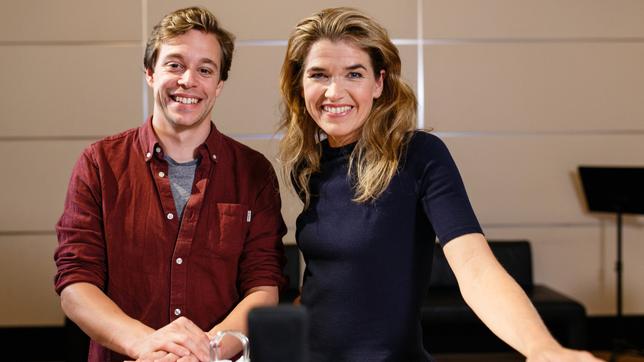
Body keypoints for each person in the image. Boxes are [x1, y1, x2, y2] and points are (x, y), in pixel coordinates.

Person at [278, 7, 603, 362]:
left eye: (354, 74)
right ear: (301, 84)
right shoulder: (307, 165)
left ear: (379, 83)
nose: (334, 91)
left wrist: (542, 348)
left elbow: (475, 267)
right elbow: (328, 281)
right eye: (319, 75)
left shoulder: (418, 155)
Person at [54, 7, 287, 362]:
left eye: (205, 69)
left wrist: (206, 352)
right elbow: (75, 284)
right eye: (174, 65)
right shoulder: (99, 164)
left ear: (219, 85)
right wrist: (146, 345)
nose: (187, 80)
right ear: (150, 73)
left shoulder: (254, 172)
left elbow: (264, 287)